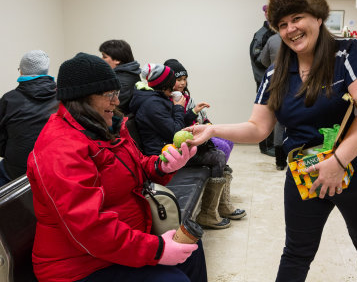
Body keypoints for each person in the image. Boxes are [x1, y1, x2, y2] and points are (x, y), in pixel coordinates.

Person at [185, 0, 357, 281]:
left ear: (318, 17)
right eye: (282, 24)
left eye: (297, 18)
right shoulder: (277, 72)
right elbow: (258, 128)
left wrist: (337, 162)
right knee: (297, 251)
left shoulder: (349, 53)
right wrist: (212, 129)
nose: (290, 29)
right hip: (305, 170)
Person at [26, 53, 206, 282]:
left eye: (116, 94)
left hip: (116, 247)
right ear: (80, 99)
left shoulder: (105, 127)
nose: (116, 101)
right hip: (79, 265)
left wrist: (163, 166)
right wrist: (157, 249)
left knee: (191, 249)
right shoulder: (60, 148)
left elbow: (137, 166)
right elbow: (89, 228)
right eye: (109, 95)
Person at [164, 59, 246, 227]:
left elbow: (202, 120)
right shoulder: (168, 101)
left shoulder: (187, 98)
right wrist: (190, 114)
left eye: (184, 79)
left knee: (226, 141)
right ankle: (210, 211)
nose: (182, 83)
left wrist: (206, 124)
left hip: (195, 140)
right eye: (178, 79)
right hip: (182, 146)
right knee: (219, 153)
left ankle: (220, 205)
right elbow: (177, 129)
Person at [0, 50, 57, 185]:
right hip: (54, 169)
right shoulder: (63, 97)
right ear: (46, 71)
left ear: (21, 72)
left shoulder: (8, 99)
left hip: (16, 172)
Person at [250, 4, 276, 156]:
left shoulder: (274, 32)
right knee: (265, 112)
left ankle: (272, 144)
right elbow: (257, 58)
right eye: (268, 12)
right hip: (264, 79)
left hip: (275, 79)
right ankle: (266, 146)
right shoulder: (262, 34)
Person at [260, 34, 287, 170]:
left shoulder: (272, 39)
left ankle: (280, 162)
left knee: (279, 122)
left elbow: (263, 60)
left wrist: (274, 62)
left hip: (277, 82)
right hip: (300, 83)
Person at [99, 39, 141, 115]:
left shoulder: (121, 82)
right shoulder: (128, 75)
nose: (101, 59)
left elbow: (110, 108)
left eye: (104, 57)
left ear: (117, 60)